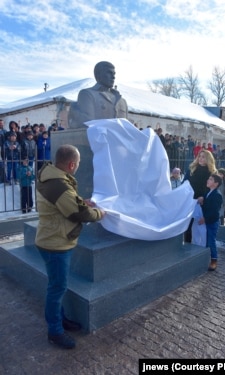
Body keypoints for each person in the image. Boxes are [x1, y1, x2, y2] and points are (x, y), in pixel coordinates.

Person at [35, 144, 105, 349]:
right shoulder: (59, 185)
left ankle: (61, 319)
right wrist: (100, 214)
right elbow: (78, 214)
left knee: (58, 286)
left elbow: (63, 203)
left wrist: (81, 201)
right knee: (57, 289)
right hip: (55, 243)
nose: (78, 166)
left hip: (51, 238)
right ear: (72, 164)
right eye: (79, 163)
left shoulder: (52, 176)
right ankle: (55, 331)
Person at [68, 61, 128, 128]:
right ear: (99, 74)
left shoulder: (122, 101)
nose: (113, 77)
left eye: (114, 74)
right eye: (109, 73)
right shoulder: (87, 94)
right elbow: (87, 123)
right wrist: (75, 113)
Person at [182, 149, 217, 242]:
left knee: (200, 227)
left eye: (203, 157)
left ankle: (200, 248)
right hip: (190, 201)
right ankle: (187, 245)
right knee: (188, 226)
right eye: (199, 156)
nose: (201, 159)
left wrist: (204, 197)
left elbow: (212, 189)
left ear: (208, 159)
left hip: (203, 203)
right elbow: (184, 184)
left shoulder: (212, 173)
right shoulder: (192, 169)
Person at [197, 174, 222, 271]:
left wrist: (205, 218)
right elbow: (205, 200)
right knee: (205, 240)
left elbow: (214, 211)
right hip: (207, 221)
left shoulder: (217, 195)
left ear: (216, 184)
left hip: (212, 222)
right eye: (208, 178)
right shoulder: (208, 191)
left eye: (210, 179)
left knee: (211, 241)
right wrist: (202, 198)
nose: (208, 180)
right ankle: (206, 258)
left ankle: (214, 261)